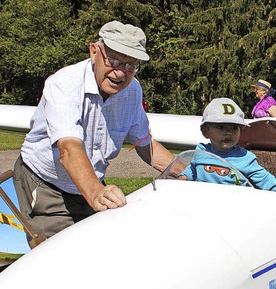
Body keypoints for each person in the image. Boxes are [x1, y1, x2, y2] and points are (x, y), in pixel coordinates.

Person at [13, 20, 175, 246]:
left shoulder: (133, 90)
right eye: (115, 61)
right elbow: (69, 148)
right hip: (46, 184)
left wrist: (186, 171)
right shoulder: (64, 84)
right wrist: (96, 193)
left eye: (131, 66)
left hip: (89, 183)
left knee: (105, 246)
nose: (121, 73)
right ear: (94, 52)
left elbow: (143, 141)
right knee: (61, 255)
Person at [179, 97, 276, 203]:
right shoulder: (201, 152)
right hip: (201, 204)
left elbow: (266, 181)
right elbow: (191, 171)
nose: (228, 133)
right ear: (205, 132)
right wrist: (181, 179)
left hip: (235, 208)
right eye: (221, 127)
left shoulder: (245, 158)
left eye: (234, 128)